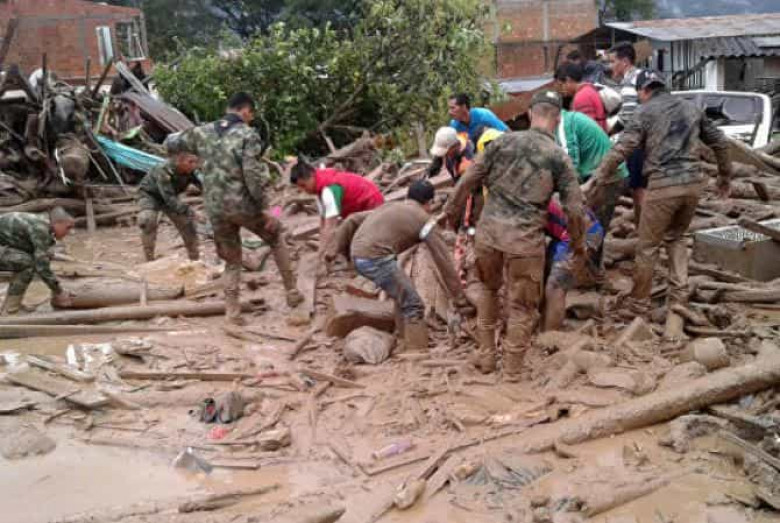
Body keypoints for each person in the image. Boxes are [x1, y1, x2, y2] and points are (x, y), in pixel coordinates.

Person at [445, 90, 587, 380]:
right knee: (521, 306)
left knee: (488, 291)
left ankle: (487, 357)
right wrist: (578, 244)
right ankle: (512, 371)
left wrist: (451, 214)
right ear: (558, 118)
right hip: (524, 242)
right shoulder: (558, 158)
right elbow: (574, 209)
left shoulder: (502, 142)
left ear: (531, 114)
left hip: (488, 236)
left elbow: (467, 181)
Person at [588, 70, 733, 338]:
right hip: (692, 185)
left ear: (644, 91)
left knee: (647, 246)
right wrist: (724, 176)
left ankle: (638, 306)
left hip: (664, 185)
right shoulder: (691, 109)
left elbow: (622, 149)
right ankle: (679, 298)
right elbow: (720, 142)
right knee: (676, 237)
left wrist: (595, 179)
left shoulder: (644, 112)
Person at [179, 92, 303, 325]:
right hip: (243, 204)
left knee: (232, 261)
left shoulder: (201, 132)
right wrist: (265, 207)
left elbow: (171, 143)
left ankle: (232, 312)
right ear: (245, 110)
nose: (251, 118)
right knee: (275, 235)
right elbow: (252, 174)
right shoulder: (248, 134)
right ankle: (292, 293)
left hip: (215, 207)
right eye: (251, 114)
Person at [326, 180, 473, 352]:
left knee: (401, 295)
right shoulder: (424, 221)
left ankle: (403, 339)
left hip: (358, 256)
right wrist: (460, 300)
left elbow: (351, 220)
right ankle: (416, 351)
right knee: (413, 304)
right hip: (376, 259)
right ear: (429, 203)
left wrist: (335, 251)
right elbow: (444, 262)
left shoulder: (389, 207)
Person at [289, 158, 384, 263]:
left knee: (355, 239)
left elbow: (330, 227)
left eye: (304, 185)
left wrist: (322, 253)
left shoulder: (329, 190)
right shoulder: (320, 187)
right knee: (347, 235)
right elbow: (323, 223)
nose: (303, 190)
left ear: (311, 176)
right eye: (299, 187)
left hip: (371, 204)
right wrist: (321, 249)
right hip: (357, 208)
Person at [543, 198, 604, 331]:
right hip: (562, 233)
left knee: (555, 285)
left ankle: (550, 336)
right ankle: (544, 325)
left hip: (581, 233)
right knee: (544, 278)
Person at [137, 138, 202, 262]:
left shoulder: (190, 171)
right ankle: (149, 259)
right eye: (190, 162)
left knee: (187, 224)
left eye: (195, 162)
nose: (194, 165)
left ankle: (195, 259)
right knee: (147, 219)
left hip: (170, 197)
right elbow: (170, 200)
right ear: (179, 160)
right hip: (150, 196)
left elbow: (203, 187)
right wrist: (192, 212)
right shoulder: (163, 171)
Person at [0, 207, 75, 315]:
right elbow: (41, 266)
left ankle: (13, 305)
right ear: (57, 223)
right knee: (27, 265)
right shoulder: (41, 228)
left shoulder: (42, 223)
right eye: (68, 227)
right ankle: (10, 311)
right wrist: (59, 292)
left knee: (27, 260)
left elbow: (26, 245)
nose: (70, 232)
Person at [608, 41, 646, 220]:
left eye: (612, 61)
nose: (610, 66)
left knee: (639, 190)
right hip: (653, 139)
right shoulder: (642, 76)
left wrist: (609, 132)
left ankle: (643, 228)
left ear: (624, 62)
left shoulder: (630, 83)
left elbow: (628, 117)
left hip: (639, 142)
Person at [557, 62, 608, 132]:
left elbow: (587, 130)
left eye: (561, 85)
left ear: (568, 80)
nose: (561, 89)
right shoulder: (588, 89)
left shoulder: (582, 97)